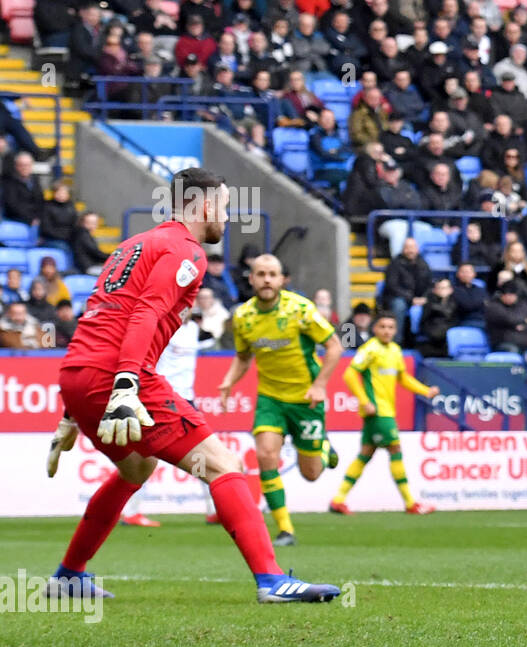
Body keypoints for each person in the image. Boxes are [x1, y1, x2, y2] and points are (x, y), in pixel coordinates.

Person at [44, 168, 339, 604]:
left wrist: (72, 407)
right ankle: (273, 580)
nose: (227, 216)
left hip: (78, 372)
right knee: (222, 464)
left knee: (136, 469)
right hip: (118, 376)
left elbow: (101, 317)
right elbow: (146, 313)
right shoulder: (186, 251)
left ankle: (69, 575)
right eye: (223, 206)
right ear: (203, 206)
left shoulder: (133, 245)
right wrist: (125, 384)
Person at [218, 254, 344, 548]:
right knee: (265, 456)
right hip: (270, 398)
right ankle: (285, 529)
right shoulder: (243, 317)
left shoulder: (300, 309)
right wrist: (228, 382)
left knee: (311, 473)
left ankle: (324, 448)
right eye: (260, 274)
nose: (266, 279)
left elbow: (334, 346)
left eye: (272, 274)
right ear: (251, 278)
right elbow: (243, 357)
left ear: (281, 279)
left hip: (305, 399)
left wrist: (320, 385)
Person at [329, 312, 438, 516]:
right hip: (378, 412)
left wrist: (426, 391)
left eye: (390, 327)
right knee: (395, 450)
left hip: (385, 411)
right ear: (374, 329)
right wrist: (364, 401)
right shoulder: (370, 349)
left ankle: (338, 499)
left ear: (395, 331)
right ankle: (410, 503)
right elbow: (350, 374)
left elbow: (403, 378)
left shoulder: (395, 351)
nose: (387, 331)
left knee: (365, 454)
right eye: (382, 327)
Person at [119, 307, 219, 528]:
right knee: (144, 453)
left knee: (202, 455)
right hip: (160, 398)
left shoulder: (195, 330)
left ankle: (214, 510)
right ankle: (131, 512)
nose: (186, 309)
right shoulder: (162, 329)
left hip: (186, 399)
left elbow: (214, 338)